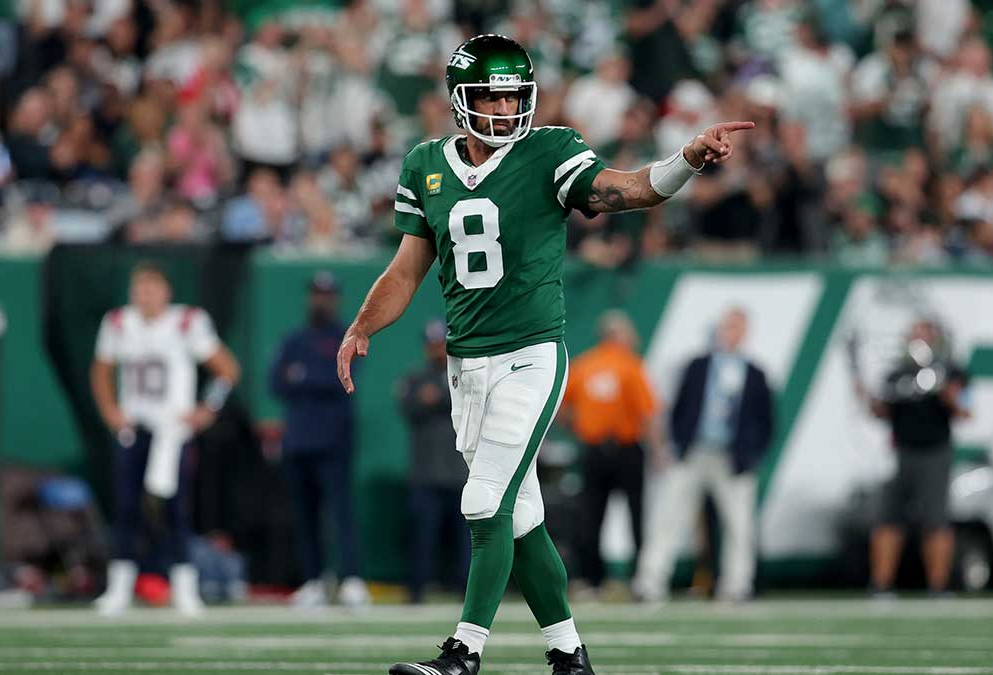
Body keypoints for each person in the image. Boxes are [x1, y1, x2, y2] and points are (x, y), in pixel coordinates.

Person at [334, 33, 755, 675]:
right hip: (466, 364)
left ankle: (463, 653)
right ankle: (569, 656)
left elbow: (628, 190)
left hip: (530, 354)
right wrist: (362, 326)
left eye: (513, 96)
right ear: (460, 99)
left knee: (483, 504)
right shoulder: (425, 163)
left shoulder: (549, 149)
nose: (504, 110)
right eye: (490, 97)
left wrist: (687, 160)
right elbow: (406, 267)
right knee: (522, 516)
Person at [90, 263, 241, 617]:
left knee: (176, 511)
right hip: (134, 426)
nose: (145, 295)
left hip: (172, 432)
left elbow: (228, 370)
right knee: (126, 508)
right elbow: (100, 369)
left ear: (166, 292)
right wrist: (110, 410)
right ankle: (120, 589)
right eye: (139, 288)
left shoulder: (187, 321)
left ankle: (185, 589)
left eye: (151, 288)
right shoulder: (117, 322)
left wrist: (207, 409)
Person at [633, 308, 774, 603]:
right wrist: (675, 444)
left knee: (739, 523)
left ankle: (737, 584)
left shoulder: (756, 373)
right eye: (726, 326)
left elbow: (766, 419)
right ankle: (650, 582)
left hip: (731, 457)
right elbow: (679, 407)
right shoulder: (697, 366)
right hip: (694, 451)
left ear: (745, 332)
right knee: (668, 517)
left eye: (736, 327)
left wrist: (752, 454)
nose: (729, 333)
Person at [269, 272, 369, 609]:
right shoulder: (293, 340)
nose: (320, 300)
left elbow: (340, 379)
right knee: (305, 514)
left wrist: (305, 376)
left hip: (334, 441)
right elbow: (277, 383)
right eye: (316, 294)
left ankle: (352, 579)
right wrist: (318, 377)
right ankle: (313, 580)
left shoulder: (347, 337)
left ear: (336, 298)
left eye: (327, 294)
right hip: (298, 441)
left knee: (341, 512)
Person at [862, 319, 969, 597]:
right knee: (888, 518)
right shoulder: (897, 374)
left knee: (936, 519)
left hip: (934, 451)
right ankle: (881, 583)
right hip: (901, 452)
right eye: (914, 335)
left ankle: (938, 584)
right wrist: (866, 396)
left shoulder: (950, 370)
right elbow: (880, 412)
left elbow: (964, 411)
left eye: (924, 335)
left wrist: (944, 390)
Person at [559, 310, 659, 595]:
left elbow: (561, 407)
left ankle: (593, 580)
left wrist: (578, 427)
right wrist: (658, 450)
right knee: (636, 516)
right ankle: (641, 580)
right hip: (626, 448)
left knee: (591, 516)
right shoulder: (630, 365)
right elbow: (648, 413)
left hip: (594, 448)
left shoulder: (584, 364)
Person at [397, 319, 470, 604]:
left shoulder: (464, 375)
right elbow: (410, 406)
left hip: (459, 471)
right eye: (434, 344)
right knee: (422, 537)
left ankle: (469, 593)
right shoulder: (415, 378)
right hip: (426, 473)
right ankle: (416, 590)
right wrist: (437, 399)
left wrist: (437, 398)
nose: (438, 350)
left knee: (468, 540)